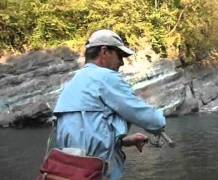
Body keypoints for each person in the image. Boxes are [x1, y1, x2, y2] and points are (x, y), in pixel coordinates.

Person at [53, 29, 166, 180]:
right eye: (120, 55)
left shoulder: (73, 82)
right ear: (104, 51)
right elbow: (147, 117)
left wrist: (123, 141)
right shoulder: (105, 77)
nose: (122, 62)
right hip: (90, 173)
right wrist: (160, 123)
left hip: (69, 172)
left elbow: (83, 135)